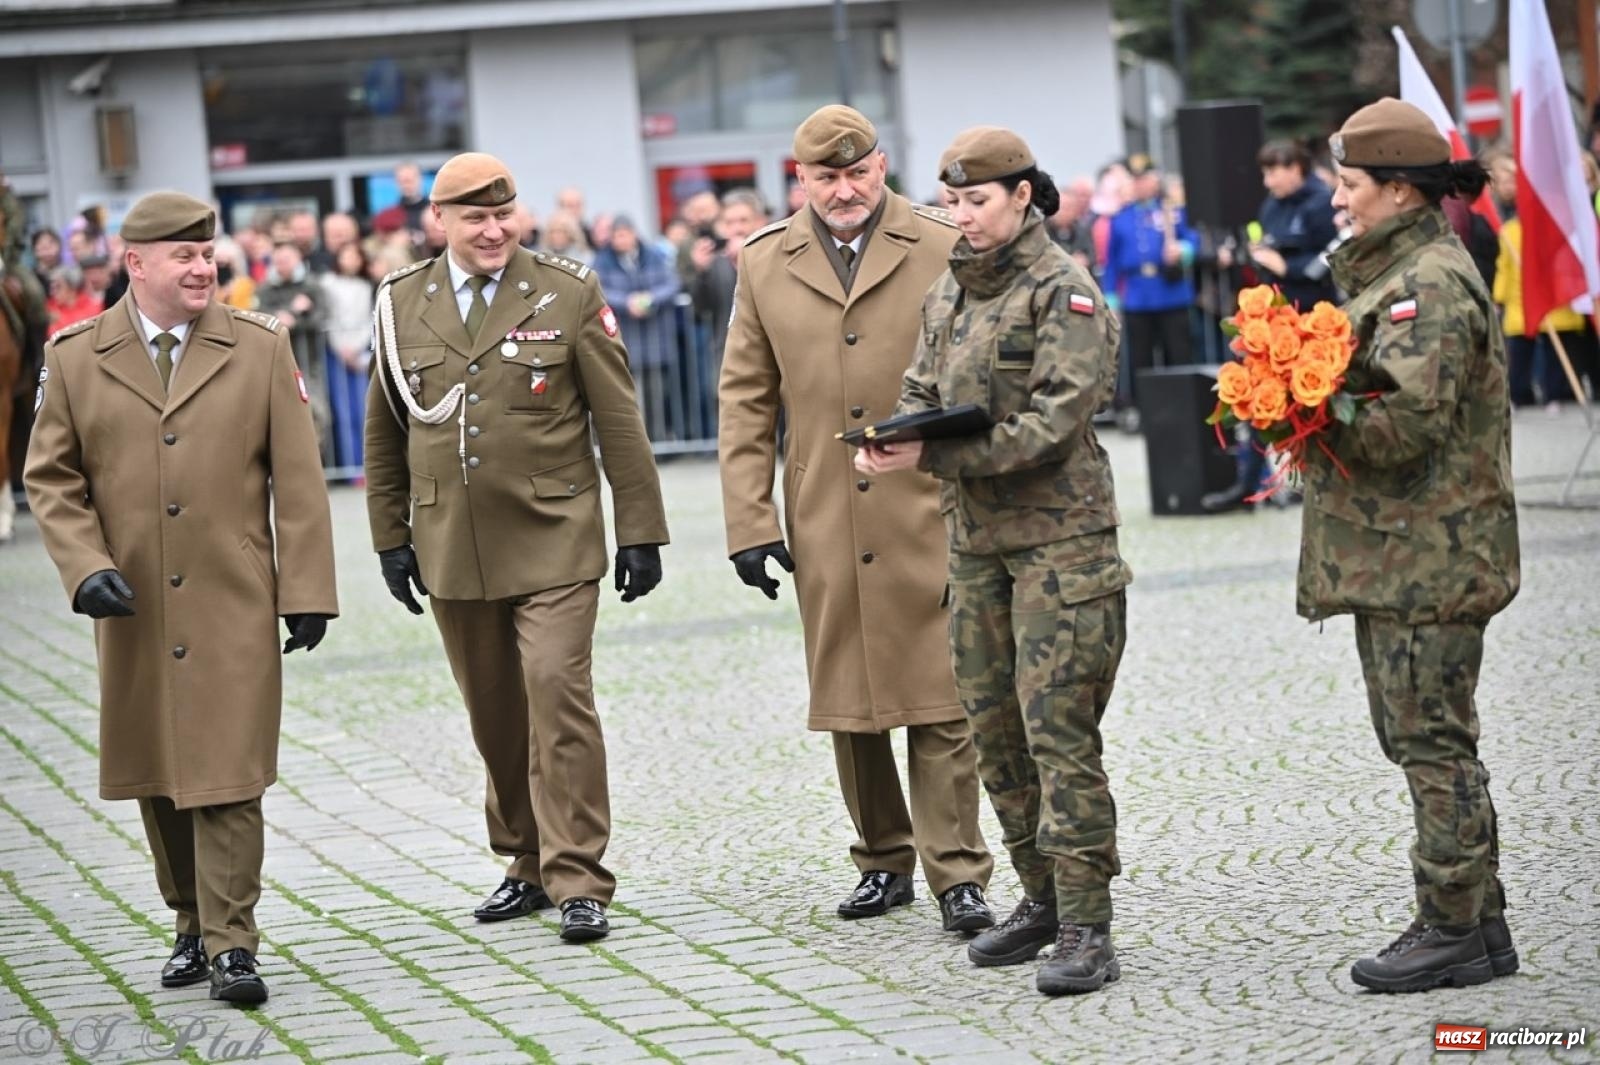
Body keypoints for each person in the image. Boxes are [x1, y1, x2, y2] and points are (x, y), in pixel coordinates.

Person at [24, 191, 337, 1004]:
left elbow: (299, 483)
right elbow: (49, 477)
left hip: (234, 593)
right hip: (130, 601)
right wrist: (83, 566)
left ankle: (236, 941)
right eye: (185, 257)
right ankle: (191, 921)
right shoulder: (75, 355)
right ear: (137, 263)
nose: (204, 269)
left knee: (229, 770)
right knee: (160, 768)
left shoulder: (262, 345)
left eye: (209, 255)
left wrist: (306, 589)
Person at [364, 152, 668, 944]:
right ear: (441, 222)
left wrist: (640, 529)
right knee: (495, 713)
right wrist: (388, 536)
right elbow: (385, 427)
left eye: (504, 214)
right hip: (452, 542)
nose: (494, 230)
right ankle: (524, 860)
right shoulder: (401, 302)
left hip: (554, 534)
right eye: (475, 218)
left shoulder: (567, 290)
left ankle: (579, 876)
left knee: (554, 689)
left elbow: (619, 419)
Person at [857, 127, 1132, 996]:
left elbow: (1056, 421)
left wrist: (934, 459)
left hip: (1062, 546)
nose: (963, 216)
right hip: (976, 546)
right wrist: (893, 434)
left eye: (977, 201)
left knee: (1058, 733)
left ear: (1023, 196)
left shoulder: (1065, 291)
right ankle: (1040, 897)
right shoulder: (950, 293)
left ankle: (1089, 924)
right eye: (954, 201)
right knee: (992, 727)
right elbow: (921, 388)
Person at [719, 105, 995, 934]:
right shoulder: (766, 261)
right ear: (799, 180)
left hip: (930, 500)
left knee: (943, 693)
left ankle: (959, 872)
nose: (845, 190)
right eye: (826, 177)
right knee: (852, 694)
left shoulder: (943, 243)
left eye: (858, 172)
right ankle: (882, 856)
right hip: (825, 507)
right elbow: (743, 397)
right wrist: (749, 519)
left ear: (882, 165)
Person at [1315, 98, 1520, 993]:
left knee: (1430, 742)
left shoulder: (1424, 282)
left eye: (1350, 185)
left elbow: (1407, 425)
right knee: (1428, 738)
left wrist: (1308, 413)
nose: (1337, 199)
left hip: (1429, 554)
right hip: (1406, 550)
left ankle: (1448, 929)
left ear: (1399, 190)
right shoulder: (1396, 271)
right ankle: (1481, 921)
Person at [1204, 139, 1340, 512]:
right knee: (1260, 402)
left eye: (1273, 172)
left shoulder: (1322, 203)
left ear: (1295, 168)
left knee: (1314, 404)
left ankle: (1311, 481)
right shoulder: (1272, 205)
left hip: (1315, 318)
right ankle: (1249, 484)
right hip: (1276, 318)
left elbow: (1333, 257)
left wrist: (1288, 267)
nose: (1267, 181)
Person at [1102, 154, 1197, 425]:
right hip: (1137, 297)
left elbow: (1193, 239)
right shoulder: (1121, 218)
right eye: (1136, 180)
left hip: (1171, 294)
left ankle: (1184, 411)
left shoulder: (1173, 211)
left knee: (1178, 356)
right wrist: (1111, 297)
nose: (1141, 185)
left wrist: (1183, 250)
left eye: (1145, 179)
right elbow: (1111, 263)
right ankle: (1148, 414)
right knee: (1141, 360)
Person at [593, 217, 683, 441]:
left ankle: (658, 441)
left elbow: (672, 283)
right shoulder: (602, 261)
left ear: (634, 234)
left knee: (657, 393)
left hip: (654, 339)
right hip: (623, 338)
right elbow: (598, 288)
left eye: (625, 234)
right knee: (626, 394)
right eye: (617, 235)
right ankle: (632, 442)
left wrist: (650, 299)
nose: (621, 240)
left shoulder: (654, 256)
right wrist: (627, 302)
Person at [319, 242, 374, 471]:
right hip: (336, 353)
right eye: (346, 255)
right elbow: (328, 318)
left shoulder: (364, 286)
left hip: (358, 354)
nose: (351, 261)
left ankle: (364, 466)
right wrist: (341, 348)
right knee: (342, 412)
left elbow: (367, 319)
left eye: (355, 256)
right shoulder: (328, 283)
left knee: (362, 410)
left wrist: (357, 348)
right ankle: (348, 465)